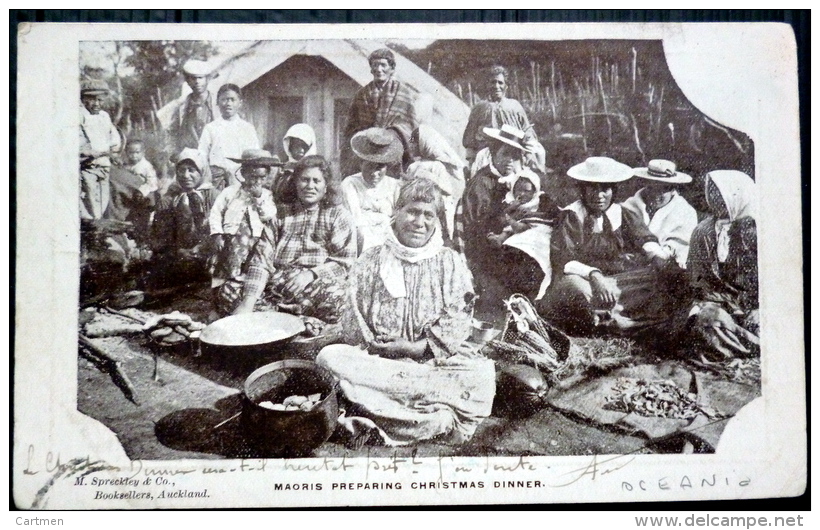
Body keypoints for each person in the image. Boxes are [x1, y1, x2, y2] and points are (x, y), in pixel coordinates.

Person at [316, 178, 495, 447]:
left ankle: (369, 411)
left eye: (428, 215)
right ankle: (426, 418)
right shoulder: (371, 259)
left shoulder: (450, 261)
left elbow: (458, 319)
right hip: (378, 362)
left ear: (436, 221)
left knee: (480, 376)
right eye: (412, 211)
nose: (418, 222)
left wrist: (413, 349)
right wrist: (376, 346)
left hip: (432, 364)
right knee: (329, 357)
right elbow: (354, 315)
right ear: (396, 212)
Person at [540, 156, 689, 337]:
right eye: (592, 188)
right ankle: (614, 319)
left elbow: (644, 239)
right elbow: (564, 259)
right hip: (586, 281)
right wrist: (595, 276)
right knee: (575, 289)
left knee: (657, 279)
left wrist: (659, 259)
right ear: (582, 189)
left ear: (613, 190)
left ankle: (615, 319)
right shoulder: (571, 216)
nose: (599, 195)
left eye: (605, 188)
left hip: (618, 281)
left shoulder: (622, 213)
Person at [229, 155, 356, 322]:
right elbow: (262, 260)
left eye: (316, 181)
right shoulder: (280, 215)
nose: (310, 186)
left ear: (326, 187)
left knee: (339, 297)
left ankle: (272, 315)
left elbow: (344, 262)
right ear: (295, 183)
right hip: (277, 283)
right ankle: (293, 317)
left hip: (314, 284)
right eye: (304, 180)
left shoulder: (338, 215)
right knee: (229, 290)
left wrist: (310, 275)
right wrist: (248, 302)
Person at [458, 125, 555, 299]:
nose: (510, 161)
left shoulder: (518, 180)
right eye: (505, 154)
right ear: (493, 154)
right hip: (486, 247)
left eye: (515, 156)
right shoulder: (482, 183)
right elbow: (477, 226)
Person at [683, 170, 759, 361]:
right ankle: (738, 347)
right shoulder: (703, 232)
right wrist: (718, 303)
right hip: (720, 304)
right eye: (712, 193)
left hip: (758, 306)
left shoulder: (762, 230)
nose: (717, 200)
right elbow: (698, 280)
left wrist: (762, 309)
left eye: (723, 194)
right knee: (708, 321)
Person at [209, 149, 279, 316]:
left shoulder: (267, 196)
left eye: (262, 178)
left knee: (249, 272)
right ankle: (215, 306)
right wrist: (217, 234)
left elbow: (269, 215)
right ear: (244, 173)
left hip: (255, 241)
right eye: (253, 176)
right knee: (222, 272)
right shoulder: (230, 192)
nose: (257, 181)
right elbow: (216, 213)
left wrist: (258, 197)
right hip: (231, 240)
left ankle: (243, 301)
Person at [341, 48, 417, 177]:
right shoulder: (362, 94)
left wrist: (390, 134)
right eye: (375, 65)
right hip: (366, 147)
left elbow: (410, 126)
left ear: (391, 68)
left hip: (394, 147)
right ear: (371, 69)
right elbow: (352, 126)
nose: (378, 69)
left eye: (383, 65)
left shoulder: (403, 93)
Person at [150, 148, 219, 287]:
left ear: (202, 171)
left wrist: (201, 248)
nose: (185, 175)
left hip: (206, 255)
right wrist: (177, 250)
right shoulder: (172, 198)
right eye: (181, 170)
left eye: (191, 170)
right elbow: (161, 234)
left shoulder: (215, 197)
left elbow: (220, 231)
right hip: (178, 255)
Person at [462, 66, 545, 173]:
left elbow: (527, 129)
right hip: (487, 155)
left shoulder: (514, 106)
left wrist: (528, 149)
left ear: (506, 86)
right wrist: (471, 162)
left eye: (500, 83)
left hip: (513, 156)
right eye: (493, 82)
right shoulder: (480, 108)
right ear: (487, 84)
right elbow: (470, 138)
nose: (496, 86)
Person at [621, 159, 699, 270]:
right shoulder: (629, 206)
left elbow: (680, 246)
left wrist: (657, 255)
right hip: (631, 268)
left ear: (673, 189)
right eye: (652, 188)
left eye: (663, 189)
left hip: (667, 270)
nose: (656, 194)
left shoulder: (685, 212)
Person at [341, 128, 403, 254]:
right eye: (369, 166)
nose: (374, 173)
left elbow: (398, 218)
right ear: (360, 164)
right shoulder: (350, 184)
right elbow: (355, 221)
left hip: (389, 238)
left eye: (380, 167)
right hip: (361, 238)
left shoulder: (395, 186)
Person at [403, 124, 467, 240]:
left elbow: (447, 190)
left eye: (414, 142)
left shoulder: (437, 166)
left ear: (423, 143)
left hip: (434, 208)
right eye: (411, 142)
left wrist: (429, 178)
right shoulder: (412, 166)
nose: (411, 146)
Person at [198, 83, 261, 189]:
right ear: (217, 102)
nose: (228, 103)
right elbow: (202, 156)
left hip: (241, 179)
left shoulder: (247, 128)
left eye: (232, 100)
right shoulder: (210, 128)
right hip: (216, 181)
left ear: (240, 103)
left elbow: (254, 156)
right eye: (224, 99)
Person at [80, 78, 122, 219]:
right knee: (91, 196)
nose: (96, 103)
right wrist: (89, 152)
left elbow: (114, 137)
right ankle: (94, 224)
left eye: (100, 100)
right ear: (83, 99)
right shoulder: (80, 116)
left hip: (104, 164)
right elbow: (78, 142)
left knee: (104, 197)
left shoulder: (104, 116)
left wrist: (113, 150)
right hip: (88, 165)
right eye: (92, 99)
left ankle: (99, 222)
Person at [172, 59, 219, 153]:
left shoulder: (217, 103)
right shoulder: (182, 107)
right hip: (191, 156)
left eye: (200, 78)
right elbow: (174, 134)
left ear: (207, 79)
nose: (197, 82)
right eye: (193, 78)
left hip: (215, 152)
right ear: (187, 81)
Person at [272, 123, 318, 206]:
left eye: (304, 146)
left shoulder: (316, 171)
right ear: (289, 146)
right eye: (296, 145)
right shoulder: (283, 171)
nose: (300, 149)